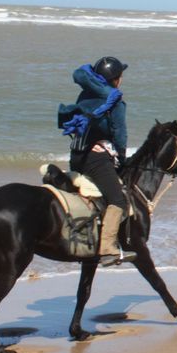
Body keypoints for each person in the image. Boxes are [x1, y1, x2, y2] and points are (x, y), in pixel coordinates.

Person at [59, 56, 136, 266]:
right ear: (116, 79)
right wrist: (121, 157)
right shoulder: (115, 101)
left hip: (76, 155)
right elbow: (120, 134)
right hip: (95, 159)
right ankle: (108, 248)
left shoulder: (85, 93)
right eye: (120, 76)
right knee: (118, 200)